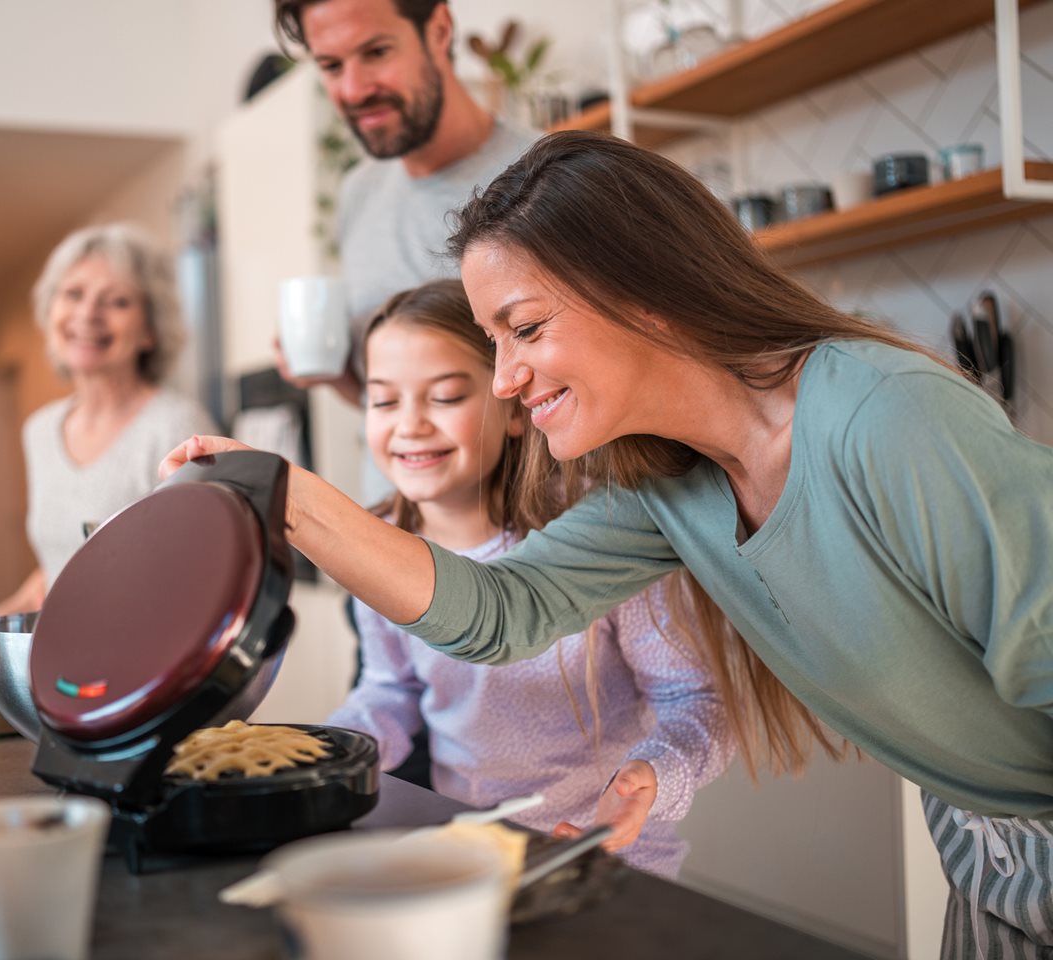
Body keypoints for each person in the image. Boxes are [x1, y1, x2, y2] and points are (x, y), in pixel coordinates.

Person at [164, 131, 1053, 957]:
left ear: (644, 294)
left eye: (526, 328)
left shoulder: (884, 421)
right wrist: (288, 498)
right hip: (986, 855)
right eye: (492, 341)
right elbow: (500, 611)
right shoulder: (673, 486)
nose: (506, 379)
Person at [324, 279, 732, 878]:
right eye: (384, 402)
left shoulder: (602, 535)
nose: (408, 425)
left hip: (607, 865)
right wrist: (323, 753)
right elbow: (391, 690)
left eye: (443, 397)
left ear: (514, 409)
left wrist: (652, 773)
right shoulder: (380, 543)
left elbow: (694, 700)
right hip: (468, 866)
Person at [0, 223, 214, 642]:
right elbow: (58, 566)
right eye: (73, 294)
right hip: (65, 663)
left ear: (150, 330)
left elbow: (208, 576)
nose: (88, 314)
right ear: (52, 310)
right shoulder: (41, 429)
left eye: (117, 301)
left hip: (153, 669)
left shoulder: (177, 426)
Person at [271, 0, 539, 409]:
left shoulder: (547, 174)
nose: (354, 90)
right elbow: (393, 411)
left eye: (376, 52)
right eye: (331, 66)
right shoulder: (357, 194)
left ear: (439, 30)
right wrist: (339, 377)